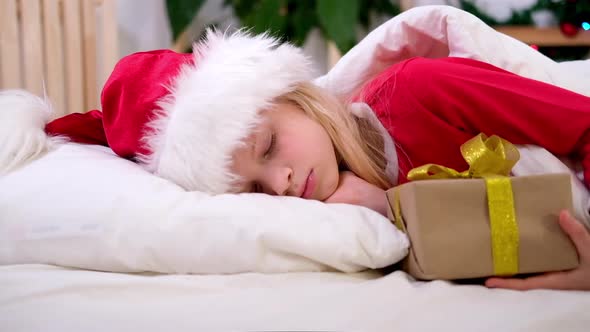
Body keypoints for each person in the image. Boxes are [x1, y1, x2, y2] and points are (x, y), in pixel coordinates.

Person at [3, 29, 589, 291]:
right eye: (252, 188)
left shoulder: (418, 93)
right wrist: (391, 211)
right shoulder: (335, 210)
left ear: (297, 98)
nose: (279, 184)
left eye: (267, 148)